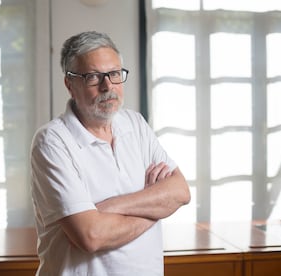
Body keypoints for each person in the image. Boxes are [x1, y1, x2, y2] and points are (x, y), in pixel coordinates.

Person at [30, 31, 191, 276]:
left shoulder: (135, 124)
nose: (108, 87)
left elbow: (180, 192)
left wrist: (108, 208)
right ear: (70, 84)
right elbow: (91, 236)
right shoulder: (52, 141)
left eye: (114, 74)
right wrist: (156, 208)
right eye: (93, 77)